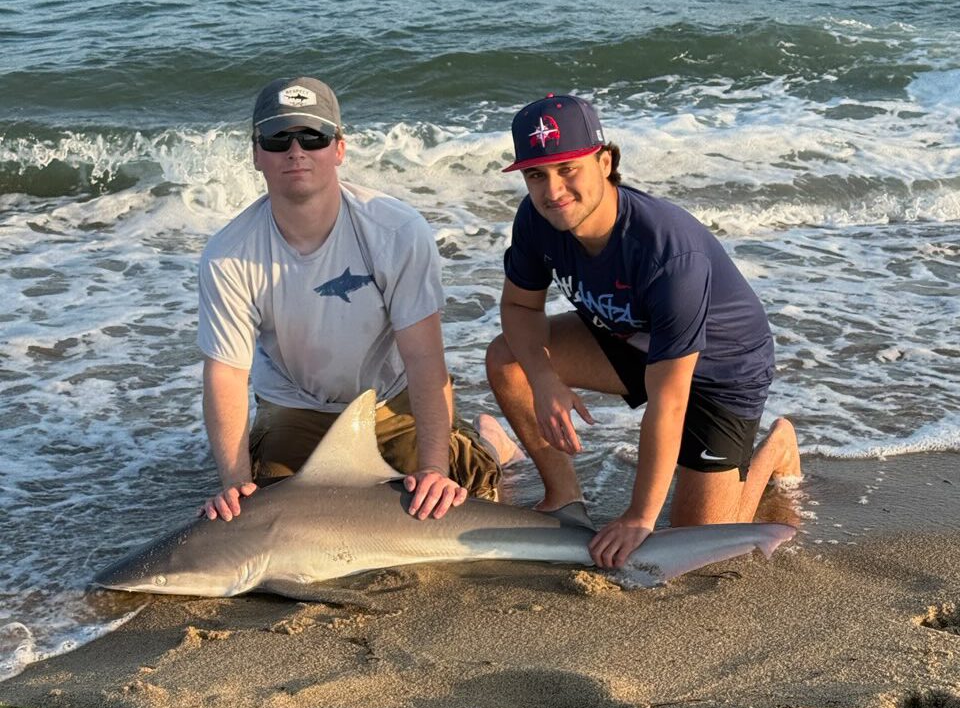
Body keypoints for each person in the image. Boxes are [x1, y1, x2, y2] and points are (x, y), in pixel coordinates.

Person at [486, 93, 801, 570]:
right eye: (536, 175)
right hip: (627, 337)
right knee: (509, 358)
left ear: (604, 161)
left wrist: (639, 516)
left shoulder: (666, 253)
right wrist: (545, 379)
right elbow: (518, 306)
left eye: (567, 168)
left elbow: (670, 399)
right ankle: (563, 498)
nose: (552, 191)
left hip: (721, 369)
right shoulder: (537, 219)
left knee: (700, 546)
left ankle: (774, 448)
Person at [197, 76, 505, 522]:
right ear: (256, 153)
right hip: (295, 403)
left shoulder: (396, 231)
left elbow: (423, 357)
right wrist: (232, 484)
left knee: (458, 493)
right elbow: (225, 374)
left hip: (389, 398)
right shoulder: (228, 255)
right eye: (278, 138)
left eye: (313, 136)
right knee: (267, 511)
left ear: (339, 148)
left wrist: (436, 469)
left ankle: (491, 439)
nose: (296, 151)